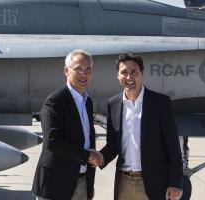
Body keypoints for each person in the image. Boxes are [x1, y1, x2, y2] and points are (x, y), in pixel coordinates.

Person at [99, 53, 183, 200]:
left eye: (134, 72)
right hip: (124, 184)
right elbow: (113, 145)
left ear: (141, 74)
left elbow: (173, 146)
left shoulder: (160, 103)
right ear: (117, 75)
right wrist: (97, 157)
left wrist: (175, 183)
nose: (129, 77)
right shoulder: (113, 104)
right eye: (124, 72)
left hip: (154, 183)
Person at [32, 49, 103, 200]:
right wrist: (87, 155)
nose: (83, 74)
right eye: (78, 69)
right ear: (66, 71)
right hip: (56, 185)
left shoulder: (87, 101)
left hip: (82, 182)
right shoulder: (55, 101)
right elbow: (53, 141)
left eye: (88, 69)